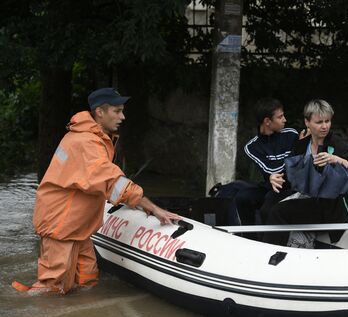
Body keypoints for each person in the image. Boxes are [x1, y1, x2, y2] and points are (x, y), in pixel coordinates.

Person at [12, 87, 182, 295]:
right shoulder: (87, 142)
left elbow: (94, 180)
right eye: (117, 111)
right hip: (62, 225)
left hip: (76, 226)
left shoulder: (89, 136)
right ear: (100, 112)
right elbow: (112, 182)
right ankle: (40, 315)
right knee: (53, 289)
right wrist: (153, 209)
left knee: (87, 280)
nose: (123, 117)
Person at [263, 99, 348, 247]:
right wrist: (273, 178)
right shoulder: (302, 144)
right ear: (307, 122)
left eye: (327, 121)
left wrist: (336, 160)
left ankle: (274, 251)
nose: (324, 126)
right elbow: (290, 176)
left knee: (279, 211)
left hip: (332, 203)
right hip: (309, 194)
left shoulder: (337, 144)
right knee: (269, 200)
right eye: (319, 122)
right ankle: (262, 244)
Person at [214, 98, 299, 225]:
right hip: (270, 187)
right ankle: (250, 237)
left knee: (270, 205)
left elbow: (297, 162)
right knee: (242, 197)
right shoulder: (252, 147)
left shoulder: (292, 134)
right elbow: (272, 170)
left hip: (294, 186)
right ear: (267, 121)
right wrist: (291, 157)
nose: (284, 120)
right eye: (280, 117)